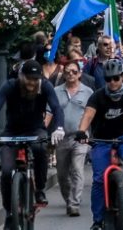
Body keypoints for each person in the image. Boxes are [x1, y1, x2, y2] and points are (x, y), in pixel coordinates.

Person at [0, 60, 65, 230]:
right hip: (11, 132)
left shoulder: (45, 86)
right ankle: (9, 212)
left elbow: (57, 108)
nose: (32, 83)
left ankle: (40, 189)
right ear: (21, 76)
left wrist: (59, 128)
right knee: (5, 172)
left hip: (35, 130)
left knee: (40, 148)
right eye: (28, 79)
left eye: (35, 79)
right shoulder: (10, 86)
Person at [75, 59, 123, 230]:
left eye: (116, 78)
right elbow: (88, 115)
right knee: (99, 179)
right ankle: (97, 220)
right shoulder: (98, 95)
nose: (112, 82)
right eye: (108, 79)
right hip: (101, 140)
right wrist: (81, 132)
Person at [52, 62, 93, 217]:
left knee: (77, 169)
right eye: (67, 72)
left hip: (80, 137)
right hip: (61, 137)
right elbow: (50, 112)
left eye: (74, 72)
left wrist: (91, 135)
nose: (70, 75)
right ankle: (68, 198)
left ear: (79, 74)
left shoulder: (88, 91)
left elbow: (92, 114)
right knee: (62, 174)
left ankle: (74, 203)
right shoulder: (56, 91)